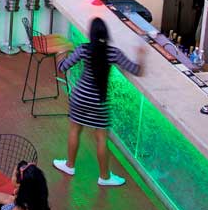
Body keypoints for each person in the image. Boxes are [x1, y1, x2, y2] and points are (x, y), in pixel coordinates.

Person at [54, 17, 146, 184]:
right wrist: (141, 55)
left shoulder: (83, 49)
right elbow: (136, 70)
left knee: (75, 130)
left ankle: (70, 165)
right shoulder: (113, 53)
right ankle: (104, 177)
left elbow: (62, 68)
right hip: (99, 102)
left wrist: (61, 52)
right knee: (101, 138)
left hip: (79, 97)